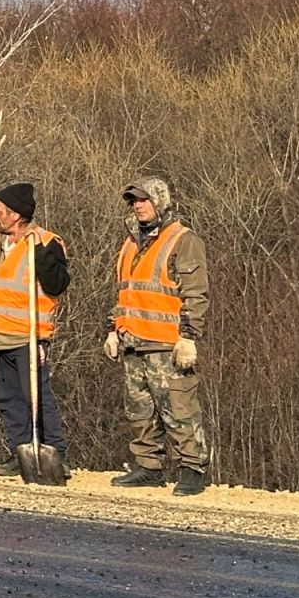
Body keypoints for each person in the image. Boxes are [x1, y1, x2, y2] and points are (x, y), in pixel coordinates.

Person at [106, 175, 211, 495]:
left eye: (144, 199)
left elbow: (196, 293)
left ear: (160, 202)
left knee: (179, 407)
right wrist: (113, 329)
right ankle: (147, 466)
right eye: (134, 201)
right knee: (138, 411)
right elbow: (124, 291)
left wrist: (189, 336)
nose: (138, 205)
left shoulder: (183, 239)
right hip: (133, 340)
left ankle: (192, 468)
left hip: (168, 343)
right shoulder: (130, 242)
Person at [0, 182, 72, 481]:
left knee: (36, 396)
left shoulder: (46, 242)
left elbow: (57, 285)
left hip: (26, 333)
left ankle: (54, 454)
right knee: (6, 398)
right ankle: (20, 452)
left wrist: (38, 254)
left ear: (15, 215)